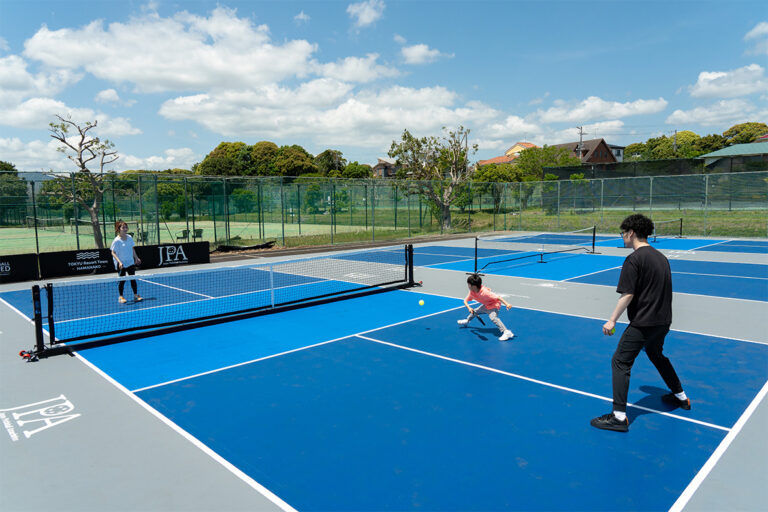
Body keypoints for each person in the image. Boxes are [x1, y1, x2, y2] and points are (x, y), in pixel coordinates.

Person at [591, 214, 690, 432]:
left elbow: (628, 294)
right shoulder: (661, 257)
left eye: (622, 233)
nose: (622, 237)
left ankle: (618, 417)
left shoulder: (634, 259)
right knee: (656, 354)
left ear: (631, 232)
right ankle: (680, 396)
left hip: (643, 323)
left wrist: (611, 320)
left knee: (620, 362)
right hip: (663, 321)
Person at [458, 273, 514, 341]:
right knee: (475, 311)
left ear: (474, 286)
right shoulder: (472, 292)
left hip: (494, 305)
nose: (468, 286)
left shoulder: (485, 292)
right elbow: (465, 301)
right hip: (486, 305)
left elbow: (498, 297)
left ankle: (507, 332)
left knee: (493, 318)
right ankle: (467, 320)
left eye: (469, 284)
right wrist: (469, 308)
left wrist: (507, 304)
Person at [110, 220, 142, 304]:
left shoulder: (129, 238)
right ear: (119, 229)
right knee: (122, 280)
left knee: (132, 279)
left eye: (126, 227)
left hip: (130, 262)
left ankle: (135, 295)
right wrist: (119, 262)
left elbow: (132, 248)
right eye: (123, 227)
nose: (125, 229)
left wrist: (136, 258)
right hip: (121, 264)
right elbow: (113, 252)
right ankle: (121, 297)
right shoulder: (117, 240)